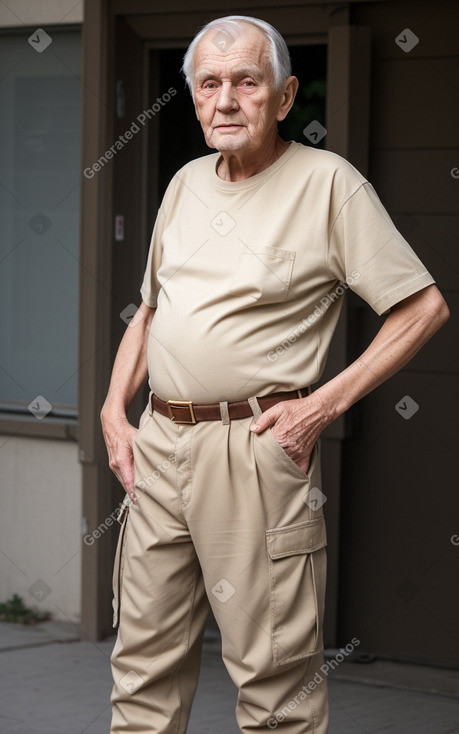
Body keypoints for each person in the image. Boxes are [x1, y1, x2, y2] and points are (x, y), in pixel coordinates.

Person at [101, 15, 449, 734]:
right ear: (192, 98)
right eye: (209, 84)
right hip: (160, 442)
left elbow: (423, 307)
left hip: (253, 450)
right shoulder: (184, 184)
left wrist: (320, 406)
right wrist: (113, 411)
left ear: (284, 97)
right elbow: (150, 311)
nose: (226, 100)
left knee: (274, 683)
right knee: (140, 666)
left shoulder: (328, 184)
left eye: (246, 82)